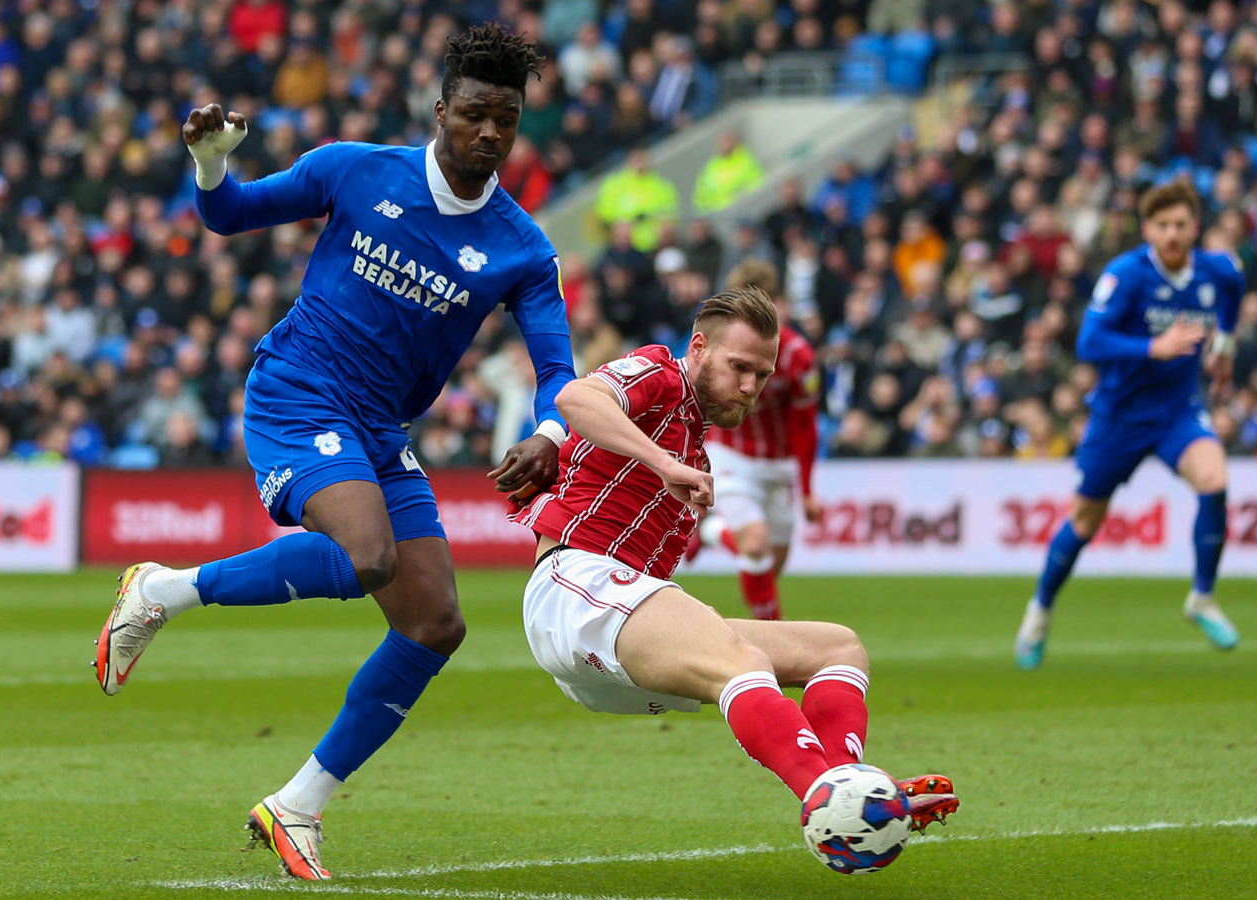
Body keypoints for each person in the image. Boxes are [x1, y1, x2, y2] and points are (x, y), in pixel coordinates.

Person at [93, 25, 577, 880]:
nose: (491, 133)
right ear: (440, 111)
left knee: (435, 624)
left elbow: (555, 370)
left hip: (378, 429)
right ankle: (163, 589)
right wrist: (210, 164)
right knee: (366, 556)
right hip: (299, 391)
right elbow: (231, 213)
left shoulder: (522, 247)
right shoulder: (355, 169)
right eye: (475, 114)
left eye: (507, 118)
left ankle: (297, 805)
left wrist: (547, 432)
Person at [511, 286, 959, 842]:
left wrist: (675, 469)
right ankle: (836, 804)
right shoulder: (661, 372)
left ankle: (854, 790)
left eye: (763, 375)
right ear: (698, 347)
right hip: (573, 588)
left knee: (838, 647)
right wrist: (661, 461)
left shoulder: (698, 453)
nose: (750, 387)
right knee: (743, 663)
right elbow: (576, 399)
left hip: (613, 632)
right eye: (739, 367)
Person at [1015, 180, 1243, 670]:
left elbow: (1234, 292)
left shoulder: (1217, 270)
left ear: (1194, 226)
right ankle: (1040, 610)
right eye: (1163, 226)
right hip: (1118, 417)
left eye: (1181, 224)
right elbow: (1089, 343)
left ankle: (1202, 597)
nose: (1173, 234)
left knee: (1215, 479)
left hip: (1178, 411)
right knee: (1084, 521)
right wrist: (1151, 348)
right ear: (1147, 230)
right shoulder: (1126, 275)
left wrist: (1223, 349)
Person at [694, 259, 819, 620]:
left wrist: (807, 489)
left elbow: (804, 425)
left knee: (768, 565)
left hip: (778, 466)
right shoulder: (719, 347)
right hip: (731, 456)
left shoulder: (798, 357)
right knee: (754, 545)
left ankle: (713, 532)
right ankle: (773, 643)